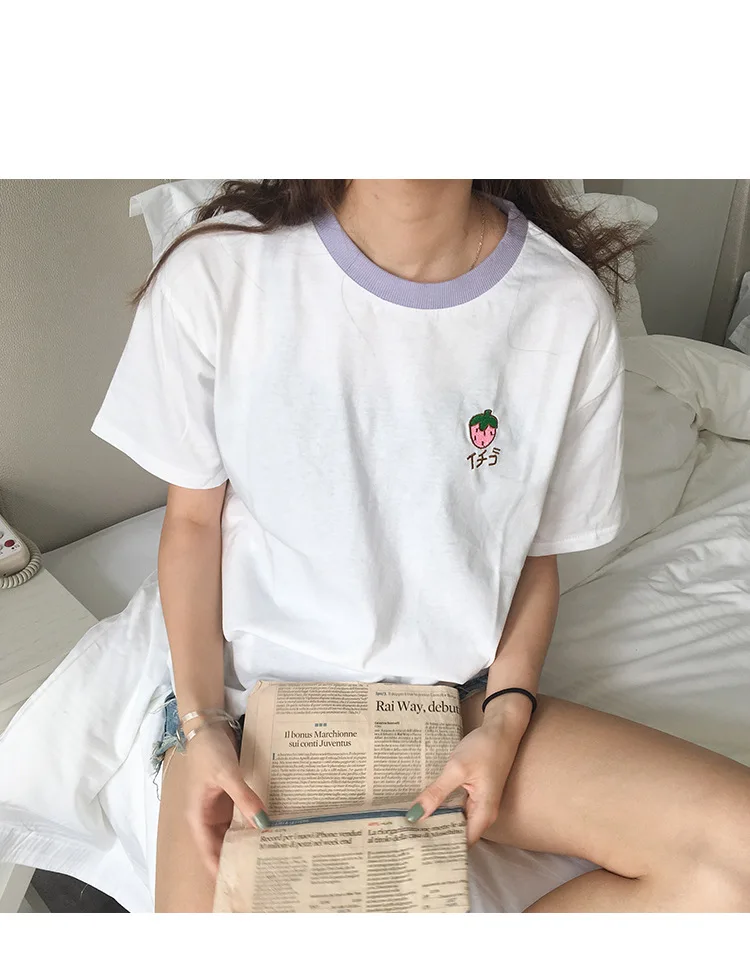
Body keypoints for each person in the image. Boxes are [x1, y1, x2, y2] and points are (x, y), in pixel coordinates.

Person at [92, 180, 750, 913]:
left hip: (454, 708)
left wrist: (505, 719)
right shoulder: (218, 272)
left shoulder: (564, 305)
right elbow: (192, 523)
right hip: (254, 716)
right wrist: (202, 722)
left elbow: (537, 555)